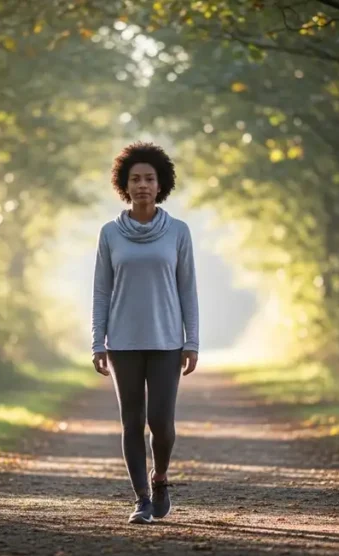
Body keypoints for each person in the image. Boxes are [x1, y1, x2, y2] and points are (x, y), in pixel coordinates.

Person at [91, 141, 199, 524]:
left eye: (149, 178)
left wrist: (192, 341)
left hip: (168, 340)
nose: (142, 185)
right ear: (124, 184)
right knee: (131, 421)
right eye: (135, 179)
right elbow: (102, 290)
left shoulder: (178, 232)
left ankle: (161, 478)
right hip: (122, 342)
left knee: (162, 424)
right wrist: (97, 341)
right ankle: (141, 500)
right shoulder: (110, 234)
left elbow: (187, 288)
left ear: (160, 184)